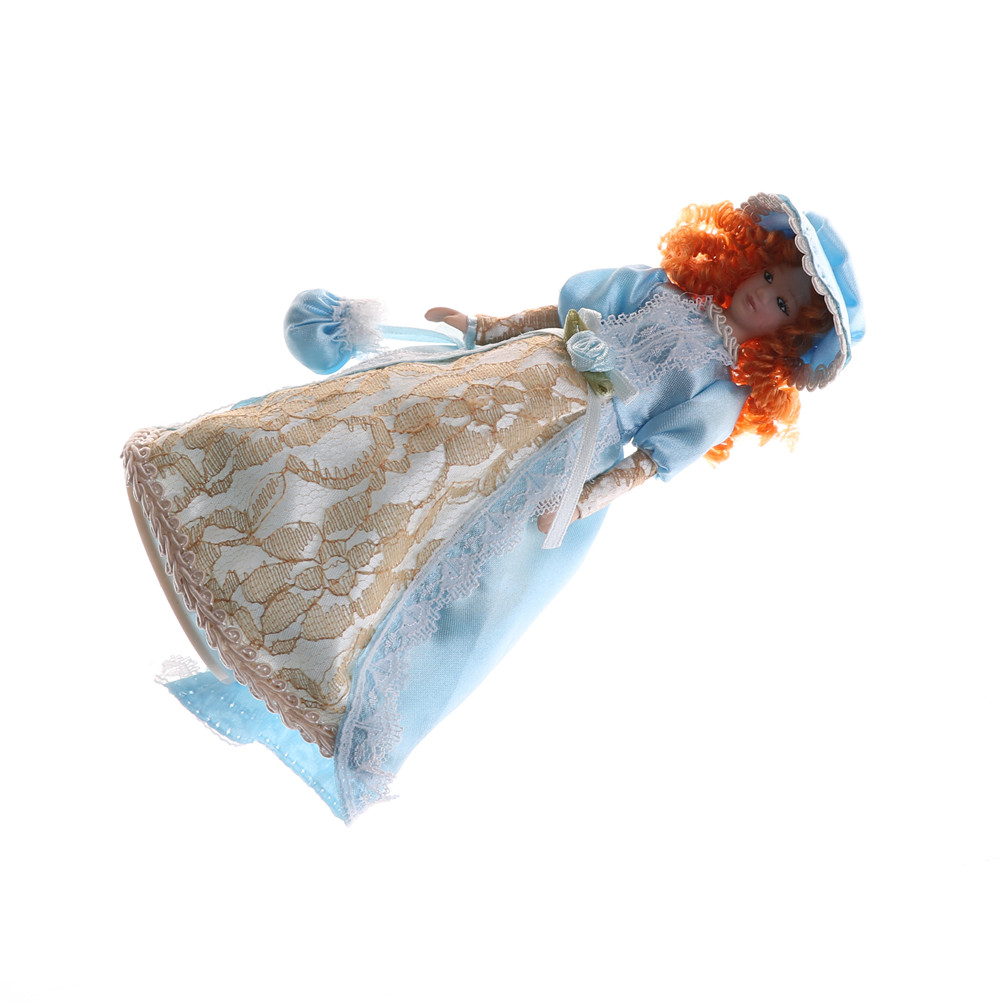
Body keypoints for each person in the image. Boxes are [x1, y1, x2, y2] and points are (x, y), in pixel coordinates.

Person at [123, 192, 864, 821]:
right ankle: (226, 491)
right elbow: (559, 318)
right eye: (770, 276)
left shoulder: (721, 388)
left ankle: (319, 639)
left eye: (782, 304)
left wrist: (591, 495)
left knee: (441, 547)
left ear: (785, 339)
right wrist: (483, 327)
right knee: (391, 434)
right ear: (744, 258)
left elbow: (653, 459)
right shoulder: (659, 290)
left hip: (566, 452)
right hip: (517, 379)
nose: (765, 295)